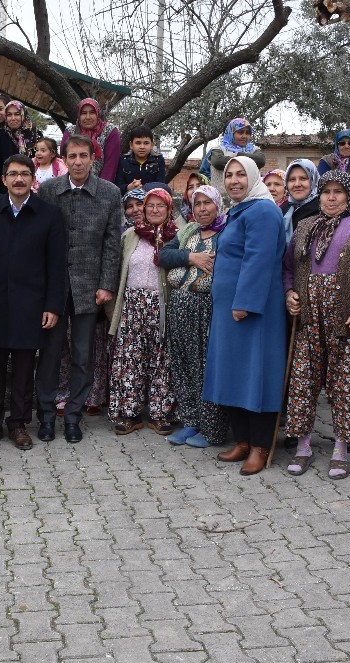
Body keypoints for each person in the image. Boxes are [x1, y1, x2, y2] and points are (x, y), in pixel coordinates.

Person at [282, 171, 350, 479]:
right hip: (309, 318)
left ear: (348, 196)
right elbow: (288, 268)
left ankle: (341, 448)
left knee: (348, 385)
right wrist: (289, 292)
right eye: (326, 191)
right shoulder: (304, 226)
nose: (331, 197)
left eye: (338, 192)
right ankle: (303, 446)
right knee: (303, 382)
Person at [0, 155, 66, 451]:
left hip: (32, 304)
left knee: (24, 370)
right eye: (13, 174)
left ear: (33, 178)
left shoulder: (49, 214)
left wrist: (52, 305)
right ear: (3, 179)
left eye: (25, 174)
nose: (19, 179)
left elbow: (56, 265)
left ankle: (19, 424)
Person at [203, 156, 286, 476]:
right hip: (230, 310)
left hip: (252, 311)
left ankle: (261, 447)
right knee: (233, 374)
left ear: (253, 178)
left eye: (241, 175)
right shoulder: (240, 210)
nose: (234, 180)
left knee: (256, 375)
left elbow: (259, 260)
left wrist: (245, 302)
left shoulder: (263, 210)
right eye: (229, 175)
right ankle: (243, 441)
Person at [36, 135, 122, 443]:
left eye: (83, 155)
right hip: (54, 288)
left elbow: (113, 242)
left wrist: (107, 284)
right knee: (49, 353)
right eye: (71, 156)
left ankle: (73, 416)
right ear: (64, 158)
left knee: (83, 356)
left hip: (90, 288)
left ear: (92, 157)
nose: (77, 161)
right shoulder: (48, 190)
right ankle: (46, 416)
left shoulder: (109, 193)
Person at [160, 184, 229, 448]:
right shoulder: (188, 230)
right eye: (197, 204)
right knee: (182, 365)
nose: (202, 209)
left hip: (206, 309)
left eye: (207, 203)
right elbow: (164, 255)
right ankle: (190, 422)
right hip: (179, 306)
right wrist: (191, 257)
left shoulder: (226, 233)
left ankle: (212, 428)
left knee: (205, 367)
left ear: (217, 205)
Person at [107, 187, 177, 436]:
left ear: (169, 210)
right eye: (150, 206)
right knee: (131, 359)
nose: (155, 210)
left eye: (161, 206)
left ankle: (160, 414)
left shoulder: (175, 237)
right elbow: (117, 272)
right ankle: (131, 414)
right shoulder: (130, 235)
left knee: (161, 360)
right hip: (132, 305)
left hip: (161, 305)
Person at [60, 98, 121, 183]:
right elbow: (64, 162)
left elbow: (111, 164)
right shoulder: (71, 131)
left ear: (98, 114)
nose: (88, 117)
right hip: (72, 184)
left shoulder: (109, 131)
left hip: (102, 185)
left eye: (92, 112)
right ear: (79, 115)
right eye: (84, 113)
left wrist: (101, 189)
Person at [207, 119, 266, 199]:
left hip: (249, 198)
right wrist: (245, 158)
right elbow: (218, 161)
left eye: (247, 133)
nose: (244, 136)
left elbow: (260, 160)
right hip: (222, 198)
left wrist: (239, 154)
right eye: (240, 132)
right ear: (230, 133)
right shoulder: (219, 149)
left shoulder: (253, 149)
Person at [115, 125, 166, 194]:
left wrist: (143, 188)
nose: (142, 147)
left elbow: (161, 185)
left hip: (151, 200)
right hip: (128, 201)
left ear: (152, 145)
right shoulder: (123, 161)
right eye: (138, 143)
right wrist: (128, 187)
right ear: (131, 145)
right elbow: (117, 186)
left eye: (146, 143)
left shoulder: (158, 160)